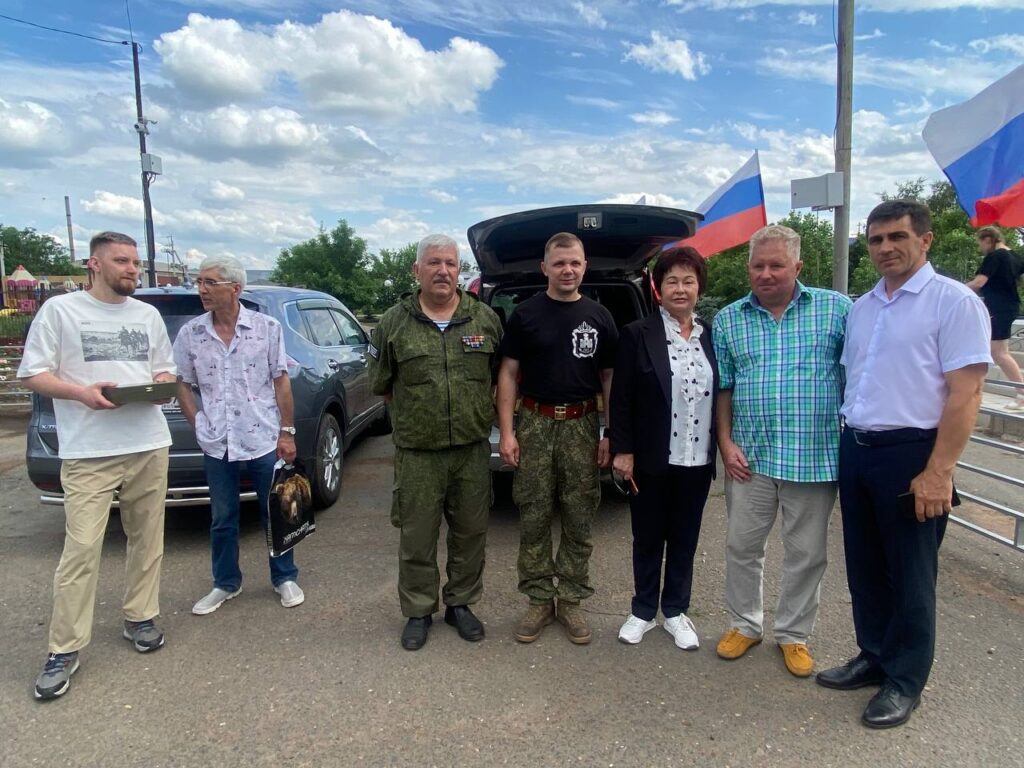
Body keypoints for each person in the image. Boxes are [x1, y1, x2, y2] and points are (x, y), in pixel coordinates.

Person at [817, 200, 991, 729]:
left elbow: (967, 394)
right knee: (866, 568)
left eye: (897, 236)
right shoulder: (864, 306)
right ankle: (874, 656)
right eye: (876, 239)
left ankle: (905, 680)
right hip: (859, 449)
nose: (886, 248)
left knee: (911, 575)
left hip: (913, 454)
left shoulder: (953, 303)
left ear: (926, 240)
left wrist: (939, 471)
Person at [19, 231, 176, 700]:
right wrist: (81, 393)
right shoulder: (61, 311)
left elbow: (163, 368)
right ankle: (64, 649)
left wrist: (161, 382)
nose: (133, 269)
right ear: (94, 264)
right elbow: (32, 373)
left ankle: (140, 617)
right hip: (89, 450)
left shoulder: (147, 314)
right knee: (81, 549)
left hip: (147, 442)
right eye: (122, 261)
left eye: (136, 262)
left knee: (148, 540)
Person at [711, 224, 851, 677]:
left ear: (798, 267)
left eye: (776, 265)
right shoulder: (730, 320)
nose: (766, 274)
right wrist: (725, 443)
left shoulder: (836, 311)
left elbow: (858, 378)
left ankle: (793, 634)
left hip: (813, 458)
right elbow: (724, 389)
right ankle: (744, 624)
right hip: (750, 458)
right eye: (758, 265)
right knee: (741, 546)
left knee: (807, 553)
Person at [368, 234, 502, 651]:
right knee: (417, 537)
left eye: (450, 263)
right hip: (418, 454)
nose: (443, 270)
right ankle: (418, 610)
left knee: (470, 533)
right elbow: (383, 386)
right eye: (434, 263)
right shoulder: (393, 322)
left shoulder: (484, 319)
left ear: (459, 271)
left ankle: (460, 604)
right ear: (417, 270)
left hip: (471, 451)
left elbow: (500, 381)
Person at [496, 232, 618, 645]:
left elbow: (609, 378)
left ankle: (569, 599)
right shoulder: (525, 315)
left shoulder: (600, 317)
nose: (568, 270)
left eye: (576, 263)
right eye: (560, 263)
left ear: (585, 267)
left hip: (583, 424)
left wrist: (609, 431)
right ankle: (538, 600)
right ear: (544, 268)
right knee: (532, 513)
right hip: (534, 422)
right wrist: (508, 433)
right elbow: (508, 374)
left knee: (580, 514)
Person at [173, 255, 304, 616]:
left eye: (209, 282)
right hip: (217, 442)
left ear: (235, 287)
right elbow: (182, 383)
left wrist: (287, 432)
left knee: (276, 510)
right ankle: (225, 583)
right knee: (223, 517)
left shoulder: (266, 328)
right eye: (199, 281)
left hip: (262, 437)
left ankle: (284, 577)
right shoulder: (191, 334)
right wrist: (197, 422)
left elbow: (281, 382)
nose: (202, 289)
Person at [608, 246, 718, 650]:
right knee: (648, 537)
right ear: (657, 288)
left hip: (697, 458)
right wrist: (623, 449)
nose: (680, 288)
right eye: (671, 280)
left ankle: (675, 611)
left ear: (698, 287)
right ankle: (641, 611)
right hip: (652, 457)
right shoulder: (638, 334)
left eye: (688, 280)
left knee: (685, 538)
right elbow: (621, 397)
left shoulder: (711, 335)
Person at [965, 226, 1023, 410]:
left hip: (998, 307)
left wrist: (951, 291)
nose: (980, 248)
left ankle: (1022, 394)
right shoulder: (1015, 256)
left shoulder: (994, 256)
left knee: (999, 352)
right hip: (1010, 305)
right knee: (989, 349)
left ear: (988, 239)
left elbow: (979, 282)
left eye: (980, 243)